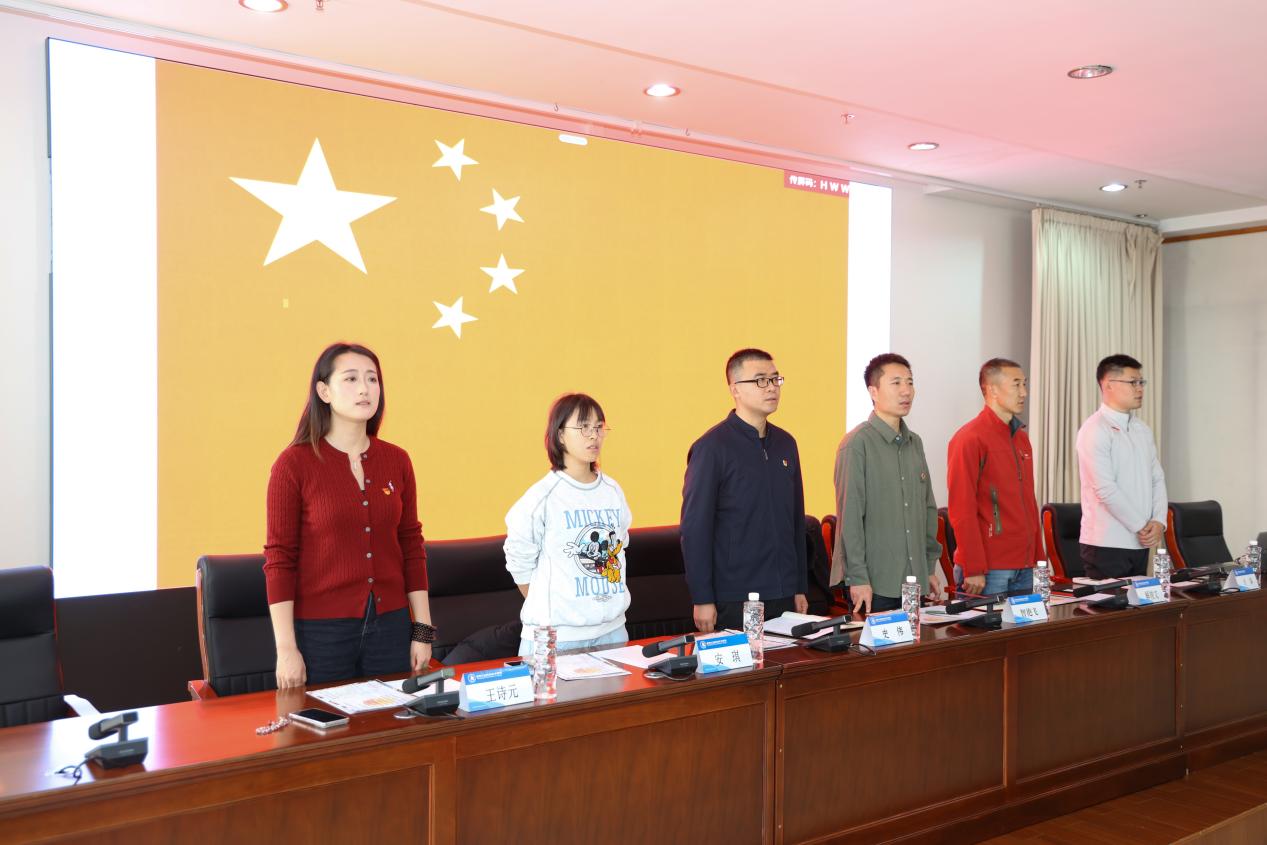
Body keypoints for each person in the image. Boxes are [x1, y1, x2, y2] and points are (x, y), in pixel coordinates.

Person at [264, 342, 434, 688]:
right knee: (325, 720)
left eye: (372, 379)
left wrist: (423, 631)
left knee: (393, 718)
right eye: (351, 378)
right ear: (323, 391)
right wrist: (286, 649)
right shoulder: (293, 464)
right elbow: (279, 558)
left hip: (391, 627)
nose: (364, 389)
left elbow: (411, 545)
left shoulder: (397, 460)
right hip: (321, 634)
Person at [681, 348, 807, 633]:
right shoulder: (711, 448)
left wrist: (799, 585)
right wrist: (702, 597)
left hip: (784, 591)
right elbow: (695, 529)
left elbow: (795, 520)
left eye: (775, 379)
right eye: (760, 380)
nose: (771, 387)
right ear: (735, 389)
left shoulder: (786, 444)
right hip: (735, 596)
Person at [504, 393, 632, 657]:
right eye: (583, 427)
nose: (594, 435)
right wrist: (553, 608)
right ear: (560, 434)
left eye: (599, 427)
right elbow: (518, 562)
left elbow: (620, 548)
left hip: (612, 632)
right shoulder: (543, 496)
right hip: (558, 638)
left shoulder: (613, 490)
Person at [834, 353, 944, 614]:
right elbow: (850, 517)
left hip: (914, 580)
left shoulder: (914, 442)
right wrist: (858, 577)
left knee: (918, 641)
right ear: (873, 391)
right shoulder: (856, 444)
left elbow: (927, 508)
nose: (906, 391)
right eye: (896, 383)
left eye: (910, 382)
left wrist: (928, 567)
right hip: (875, 583)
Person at [946, 358, 1044, 597]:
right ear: (992, 390)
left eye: (1024, 384)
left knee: (1028, 625)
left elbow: (1029, 503)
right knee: (987, 623)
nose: (1024, 392)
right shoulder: (970, 438)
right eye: (1016, 384)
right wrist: (972, 565)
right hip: (988, 569)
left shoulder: (1021, 438)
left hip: (1025, 566)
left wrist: (1038, 559)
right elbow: (961, 508)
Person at [1076, 354, 1168, 579]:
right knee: (1111, 602)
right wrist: (1141, 526)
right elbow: (1105, 488)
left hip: (1140, 541)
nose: (1140, 389)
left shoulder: (1142, 429)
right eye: (1133, 382)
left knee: (1139, 601)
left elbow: (1157, 478)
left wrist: (1159, 521)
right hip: (1106, 543)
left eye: (1141, 382)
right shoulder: (1094, 429)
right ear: (1109, 385)